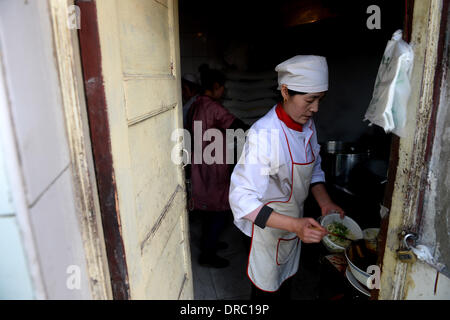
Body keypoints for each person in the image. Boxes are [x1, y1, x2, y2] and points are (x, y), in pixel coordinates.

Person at [229, 55, 345, 299]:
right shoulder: (265, 135)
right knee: (266, 294)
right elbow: (241, 198)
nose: (316, 108)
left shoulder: (308, 126)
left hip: (295, 227)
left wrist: (324, 202)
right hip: (270, 230)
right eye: (310, 100)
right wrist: (294, 225)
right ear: (285, 91)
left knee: (286, 288)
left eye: (320, 100)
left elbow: (313, 168)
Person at [186, 66, 249, 268]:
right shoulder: (212, 107)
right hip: (213, 167)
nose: (224, 91)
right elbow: (236, 125)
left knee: (209, 209)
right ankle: (208, 254)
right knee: (220, 211)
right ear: (215, 86)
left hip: (201, 164)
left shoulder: (196, 104)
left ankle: (208, 243)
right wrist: (260, 131)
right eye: (222, 87)